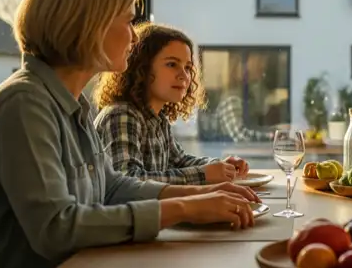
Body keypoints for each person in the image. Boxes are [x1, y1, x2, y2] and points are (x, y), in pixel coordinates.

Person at [0, 0, 262, 268]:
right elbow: (56, 228)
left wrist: (200, 195)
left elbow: (110, 187)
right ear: (86, 23)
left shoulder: (72, 103)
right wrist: (185, 208)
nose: (134, 38)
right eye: (126, 21)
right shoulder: (24, 104)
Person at [94, 22, 250, 185]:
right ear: (142, 68)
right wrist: (203, 174)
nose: (184, 76)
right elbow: (128, 182)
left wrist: (221, 166)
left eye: (188, 67)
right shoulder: (122, 115)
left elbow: (180, 161)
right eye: (172, 64)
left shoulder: (158, 118)